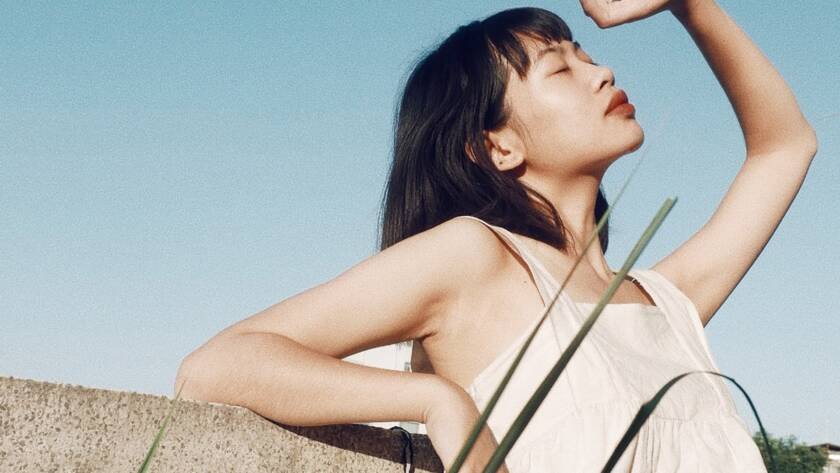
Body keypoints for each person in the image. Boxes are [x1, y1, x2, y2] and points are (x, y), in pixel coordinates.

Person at [174, 0, 817, 471]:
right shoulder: (476, 256)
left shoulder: (669, 303)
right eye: (559, 69)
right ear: (497, 146)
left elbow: (787, 147)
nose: (601, 73)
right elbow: (216, 366)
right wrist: (437, 399)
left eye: (587, 55)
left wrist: (690, 5)